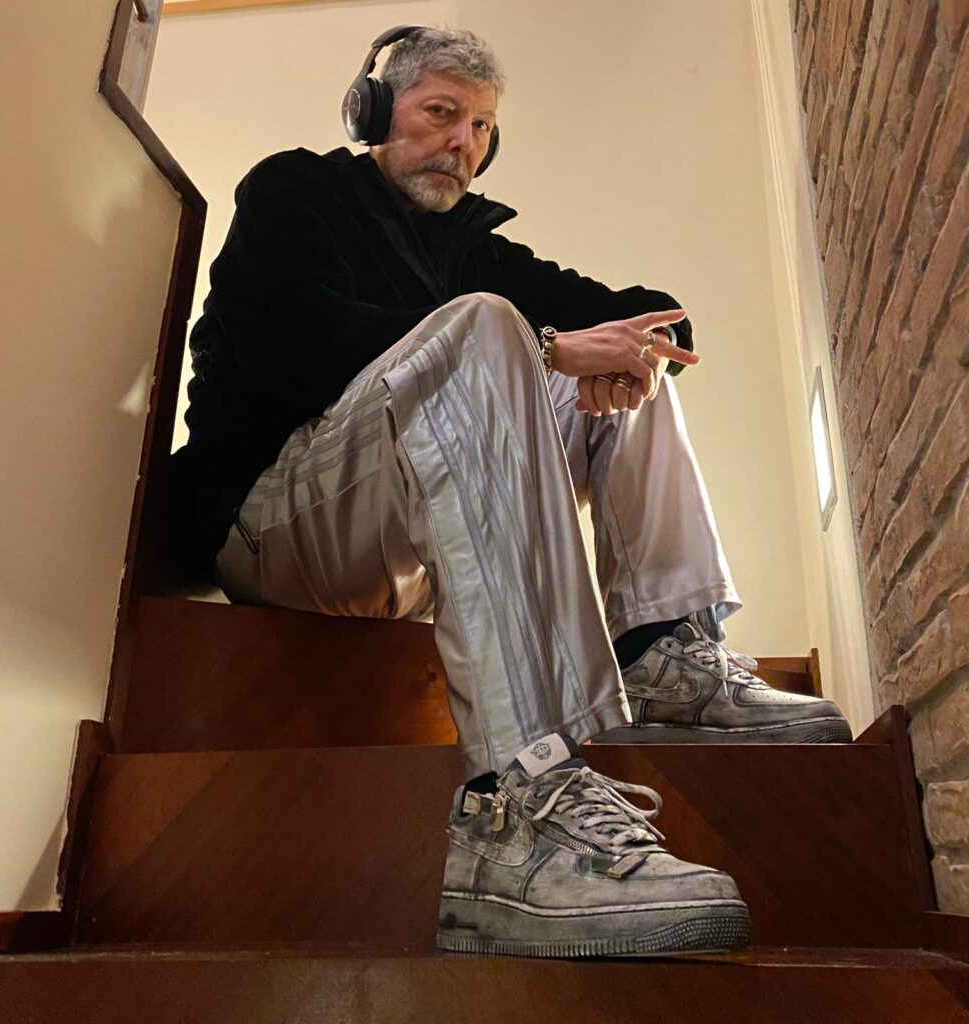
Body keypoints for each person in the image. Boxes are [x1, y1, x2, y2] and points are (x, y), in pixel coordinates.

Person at [171, 25, 851, 958]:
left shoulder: (471, 248)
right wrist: (545, 346)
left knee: (621, 366)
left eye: (482, 127)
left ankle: (661, 653)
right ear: (375, 112)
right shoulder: (294, 192)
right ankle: (512, 807)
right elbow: (290, 343)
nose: (464, 143)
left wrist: (635, 344)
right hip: (275, 524)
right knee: (497, 331)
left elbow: (637, 315)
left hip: (401, 552)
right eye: (441, 113)